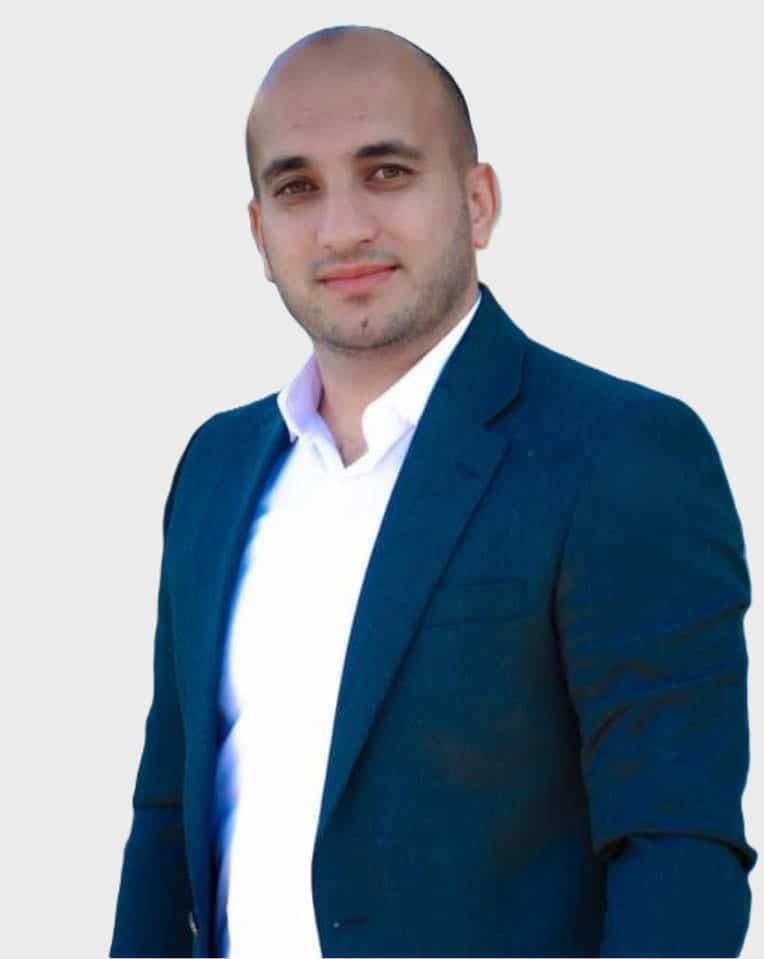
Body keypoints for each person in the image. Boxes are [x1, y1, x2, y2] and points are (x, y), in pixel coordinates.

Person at [110, 24, 756, 959]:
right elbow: (167, 820)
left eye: (387, 172)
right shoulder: (215, 467)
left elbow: (676, 848)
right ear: (258, 232)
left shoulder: (622, 454)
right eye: (297, 187)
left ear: (478, 200)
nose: (341, 228)